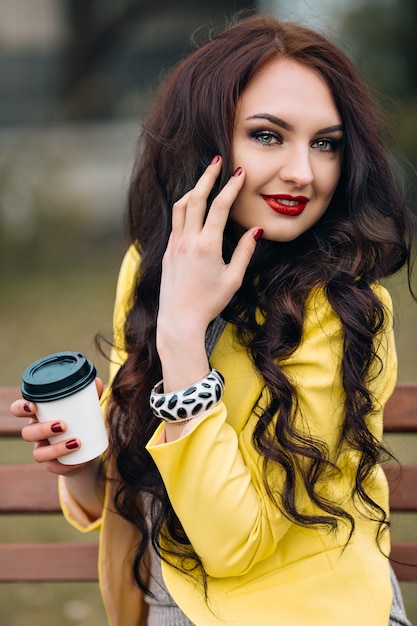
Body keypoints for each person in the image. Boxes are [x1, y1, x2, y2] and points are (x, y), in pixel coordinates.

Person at [11, 13, 416, 626]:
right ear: (207, 145)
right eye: (268, 135)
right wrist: (82, 465)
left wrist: (181, 338)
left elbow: (235, 548)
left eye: (325, 143)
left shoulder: (345, 310)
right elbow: (138, 494)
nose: (303, 172)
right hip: (167, 605)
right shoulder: (152, 269)